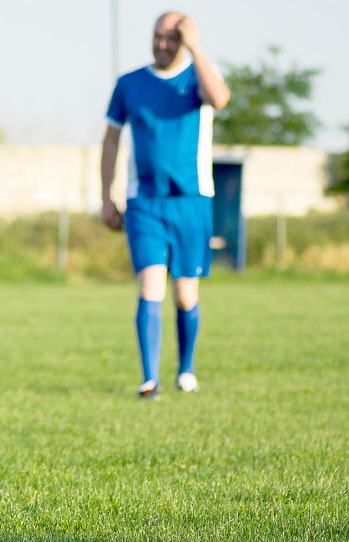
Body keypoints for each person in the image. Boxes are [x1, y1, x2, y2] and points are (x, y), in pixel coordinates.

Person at [100, 12, 231, 399]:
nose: (161, 44)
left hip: (192, 201)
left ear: (184, 41)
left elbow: (220, 99)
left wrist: (196, 47)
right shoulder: (129, 84)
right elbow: (110, 140)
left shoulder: (199, 78)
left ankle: (186, 369)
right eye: (157, 37)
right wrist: (107, 195)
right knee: (150, 285)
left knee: (185, 293)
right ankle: (148, 379)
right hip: (144, 203)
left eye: (171, 38)